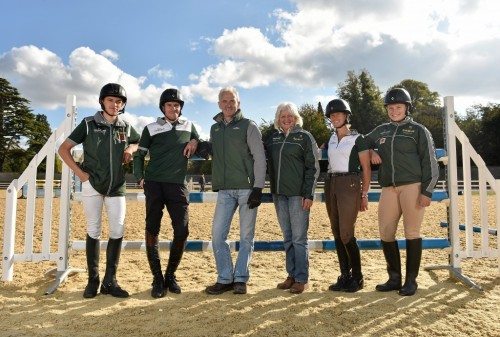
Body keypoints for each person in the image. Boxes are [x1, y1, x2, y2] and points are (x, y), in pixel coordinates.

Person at [58, 83, 140, 298]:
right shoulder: (88, 124)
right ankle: (93, 281)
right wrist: (81, 175)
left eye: (119, 101)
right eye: (111, 100)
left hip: (117, 186)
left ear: (123, 105)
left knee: (117, 230)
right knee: (93, 230)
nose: (115, 104)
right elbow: (63, 149)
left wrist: (131, 148)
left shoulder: (126, 126)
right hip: (92, 185)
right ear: (102, 101)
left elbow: (139, 142)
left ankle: (110, 281)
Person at [366, 88, 439, 296]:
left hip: (413, 187)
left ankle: (411, 281)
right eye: (390, 107)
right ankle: (394, 278)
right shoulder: (381, 130)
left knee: (411, 232)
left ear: (407, 108)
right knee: (386, 232)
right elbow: (361, 142)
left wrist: (427, 191)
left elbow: (430, 163)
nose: (394, 110)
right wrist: (371, 150)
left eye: (398, 107)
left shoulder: (418, 130)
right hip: (389, 188)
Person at [133, 88, 199, 298]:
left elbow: (198, 140)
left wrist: (194, 141)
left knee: (182, 230)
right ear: (163, 107)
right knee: (152, 229)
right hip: (154, 183)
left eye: (177, 105)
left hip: (178, 184)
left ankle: (170, 275)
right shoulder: (150, 128)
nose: (174, 108)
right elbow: (139, 155)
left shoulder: (189, 126)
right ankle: (157, 278)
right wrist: (139, 176)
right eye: (170, 105)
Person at [204, 87, 266, 295]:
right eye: (224, 101)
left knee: (246, 236)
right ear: (219, 104)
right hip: (224, 191)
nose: (228, 104)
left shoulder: (249, 126)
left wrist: (258, 187)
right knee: (217, 235)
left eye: (232, 101)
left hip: (247, 190)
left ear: (238, 103)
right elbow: (215, 149)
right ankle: (225, 278)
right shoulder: (215, 129)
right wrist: (202, 146)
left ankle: (240, 278)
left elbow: (260, 157)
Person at [264, 102, 319, 294]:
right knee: (287, 237)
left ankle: (302, 278)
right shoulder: (273, 139)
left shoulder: (304, 137)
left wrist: (308, 193)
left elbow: (313, 167)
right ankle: (291, 275)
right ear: (278, 119)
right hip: (279, 195)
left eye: (290, 116)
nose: (286, 119)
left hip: (298, 195)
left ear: (296, 118)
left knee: (299, 238)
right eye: (282, 116)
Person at [323, 99, 371, 293]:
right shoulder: (331, 139)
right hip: (331, 183)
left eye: (338, 114)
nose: (335, 117)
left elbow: (366, 169)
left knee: (346, 232)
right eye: (332, 115)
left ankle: (357, 277)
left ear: (346, 116)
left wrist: (364, 193)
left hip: (350, 183)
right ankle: (345, 275)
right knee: (335, 230)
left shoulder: (357, 139)